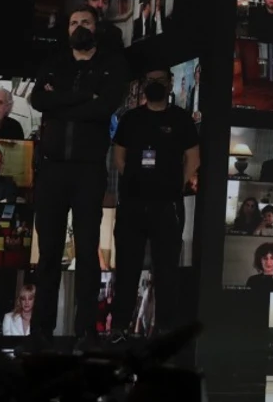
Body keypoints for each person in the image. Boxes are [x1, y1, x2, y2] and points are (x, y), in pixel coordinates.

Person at [24, 11, 125, 351]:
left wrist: (61, 103)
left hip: (88, 171)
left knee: (86, 251)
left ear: (97, 28)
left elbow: (105, 108)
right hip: (52, 170)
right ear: (66, 31)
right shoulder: (54, 63)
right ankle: (40, 330)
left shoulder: (111, 65)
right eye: (73, 23)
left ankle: (87, 332)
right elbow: (39, 101)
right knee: (49, 254)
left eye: (86, 22)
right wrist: (84, 97)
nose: (79, 27)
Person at [108, 66, 199, 343]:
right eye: (150, 81)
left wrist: (174, 185)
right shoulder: (130, 119)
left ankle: (164, 330)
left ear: (170, 84)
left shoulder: (181, 119)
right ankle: (119, 328)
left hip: (167, 205)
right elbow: (118, 158)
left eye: (160, 80)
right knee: (126, 267)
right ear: (143, 84)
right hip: (133, 204)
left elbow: (193, 159)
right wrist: (138, 182)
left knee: (167, 270)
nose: (155, 84)